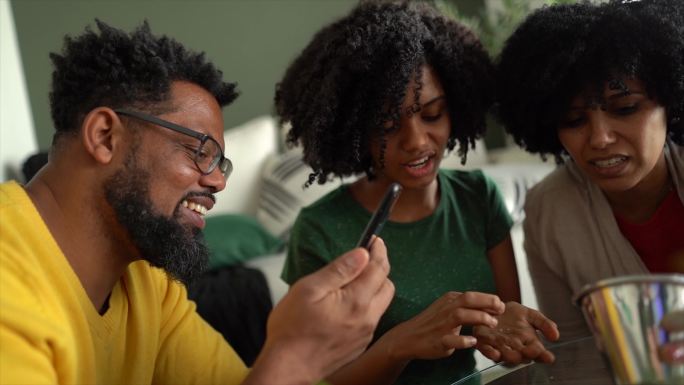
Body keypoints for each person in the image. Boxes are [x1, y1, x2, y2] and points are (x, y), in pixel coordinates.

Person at [0, 20, 396, 385]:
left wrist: (384, 350)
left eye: (221, 162)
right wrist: (296, 359)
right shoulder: (9, 285)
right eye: (200, 151)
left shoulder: (147, 284)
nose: (219, 181)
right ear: (105, 136)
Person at [275, 2, 559, 384]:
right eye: (388, 125)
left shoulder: (478, 198)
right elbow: (316, 378)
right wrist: (401, 344)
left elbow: (506, 338)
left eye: (432, 114)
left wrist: (508, 336)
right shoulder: (321, 230)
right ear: (355, 130)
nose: (417, 141)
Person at [495, 0, 684, 342]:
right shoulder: (547, 211)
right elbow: (571, 354)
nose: (600, 138)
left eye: (625, 108)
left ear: (670, 103)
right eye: (573, 119)